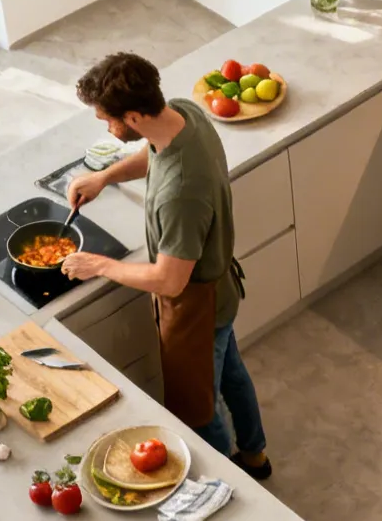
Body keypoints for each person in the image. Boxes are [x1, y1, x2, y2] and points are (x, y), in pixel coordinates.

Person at [59, 52, 271, 480]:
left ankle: (228, 485)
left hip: (197, 308)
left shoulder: (181, 195)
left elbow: (169, 279)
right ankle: (255, 457)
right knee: (231, 374)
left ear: (134, 115)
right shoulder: (183, 114)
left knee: (196, 413)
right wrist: (105, 177)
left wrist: (98, 265)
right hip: (223, 294)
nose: (106, 127)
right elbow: (156, 153)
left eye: (108, 120)